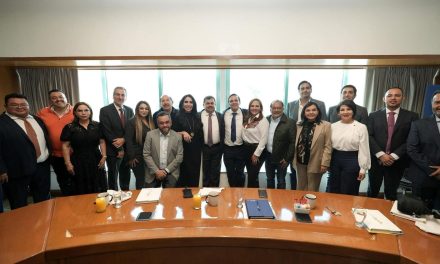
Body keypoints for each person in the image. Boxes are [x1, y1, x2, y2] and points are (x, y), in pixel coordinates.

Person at [0, 93, 51, 209]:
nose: (19, 107)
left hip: (42, 166)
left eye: (23, 104)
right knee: (19, 202)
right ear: (6, 106)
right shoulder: (2, 123)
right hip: (17, 170)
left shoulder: (37, 119)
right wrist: (1, 169)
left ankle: (44, 222)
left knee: (43, 199)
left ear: (28, 105)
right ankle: (22, 226)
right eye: (14, 105)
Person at [367, 87, 419, 200]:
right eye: (389, 95)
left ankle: (388, 215)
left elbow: (411, 139)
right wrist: (381, 155)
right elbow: (369, 136)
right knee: (372, 190)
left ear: (403, 98)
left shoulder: (412, 116)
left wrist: (393, 156)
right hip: (376, 161)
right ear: (384, 99)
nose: (393, 98)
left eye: (397, 95)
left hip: (397, 161)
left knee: (391, 193)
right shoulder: (373, 115)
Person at [287, 80, 327, 190]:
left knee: (313, 183)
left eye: (307, 88)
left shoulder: (320, 104)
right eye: (302, 88)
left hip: (315, 145)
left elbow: (323, 125)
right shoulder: (291, 104)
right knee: (297, 177)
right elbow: (289, 124)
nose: (305, 90)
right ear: (299, 90)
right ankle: (296, 197)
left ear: (311, 89)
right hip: (298, 145)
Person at [61, 102, 107, 194]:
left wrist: (104, 156)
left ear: (90, 112)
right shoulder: (69, 127)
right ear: (75, 113)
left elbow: (102, 141)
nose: (83, 113)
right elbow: (65, 146)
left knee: (98, 185)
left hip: (96, 159)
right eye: (80, 111)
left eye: (86, 110)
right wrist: (68, 163)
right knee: (81, 186)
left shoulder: (97, 125)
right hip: (78, 161)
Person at [327, 100, 371, 195]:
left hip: (353, 159)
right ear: (338, 113)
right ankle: (333, 209)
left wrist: (363, 168)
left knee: (349, 189)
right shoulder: (332, 126)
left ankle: (346, 209)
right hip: (335, 159)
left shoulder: (361, 127)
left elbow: (364, 149)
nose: (345, 112)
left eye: (349, 109)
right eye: (342, 110)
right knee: (333, 188)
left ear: (353, 111)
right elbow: (328, 146)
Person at [37, 89, 75, 195]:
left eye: (60, 96)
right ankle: (67, 204)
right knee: (62, 180)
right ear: (50, 100)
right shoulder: (43, 112)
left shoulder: (76, 111)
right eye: (54, 98)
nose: (58, 99)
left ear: (66, 97)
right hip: (55, 155)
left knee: (77, 179)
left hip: (75, 153)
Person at [407, 90, 440, 210]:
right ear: (432, 104)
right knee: (420, 216)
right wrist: (433, 169)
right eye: (437, 102)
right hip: (424, 176)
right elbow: (412, 149)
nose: (439, 105)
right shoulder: (418, 124)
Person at [99, 87, 134, 191]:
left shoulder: (129, 110)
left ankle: (125, 194)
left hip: (127, 149)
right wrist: (119, 149)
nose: (120, 97)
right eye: (117, 94)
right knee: (113, 177)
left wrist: (124, 139)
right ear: (113, 96)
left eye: (123, 95)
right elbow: (106, 131)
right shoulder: (105, 110)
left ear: (126, 97)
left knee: (125, 175)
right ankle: (113, 197)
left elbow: (131, 129)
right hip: (113, 151)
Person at [294, 102, 332, 191]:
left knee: (312, 189)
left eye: (314, 110)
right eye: (308, 110)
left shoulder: (326, 125)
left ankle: (311, 205)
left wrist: (325, 163)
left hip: (316, 162)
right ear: (304, 112)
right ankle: (300, 205)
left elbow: (328, 146)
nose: (311, 112)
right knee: (300, 187)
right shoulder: (299, 125)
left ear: (318, 111)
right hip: (300, 162)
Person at [143, 112, 183, 188]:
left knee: (169, 197)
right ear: (157, 124)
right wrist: (157, 171)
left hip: (171, 171)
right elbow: (146, 154)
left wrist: (166, 171)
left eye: (167, 122)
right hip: (153, 171)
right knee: (150, 197)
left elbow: (179, 157)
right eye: (161, 123)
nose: (165, 125)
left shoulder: (178, 137)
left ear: (171, 122)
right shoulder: (150, 135)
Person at [174, 94, 203, 187]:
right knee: (183, 179)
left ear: (193, 104)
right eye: (186, 102)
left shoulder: (198, 116)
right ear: (182, 104)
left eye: (191, 102)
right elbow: (171, 133)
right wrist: (182, 132)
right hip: (183, 151)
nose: (188, 104)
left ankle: (193, 199)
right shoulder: (176, 116)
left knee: (194, 178)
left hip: (196, 152)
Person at [265, 100, 295, 189]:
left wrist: (287, 159)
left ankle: (280, 201)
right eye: (274, 108)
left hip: (282, 158)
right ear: (270, 109)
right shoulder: (266, 120)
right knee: (269, 179)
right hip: (268, 156)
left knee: (281, 181)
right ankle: (270, 200)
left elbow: (292, 142)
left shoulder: (290, 122)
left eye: (279, 108)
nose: (276, 110)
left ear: (283, 109)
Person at [125, 101, 155, 189]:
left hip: (149, 155)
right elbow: (128, 141)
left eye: (146, 108)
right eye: (141, 108)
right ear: (137, 110)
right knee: (141, 180)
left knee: (149, 180)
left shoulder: (151, 121)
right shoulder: (131, 122)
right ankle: (139, 200)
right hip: (137, 157)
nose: (144, 110)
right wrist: (132, 157)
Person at [242, 98, 269, 188]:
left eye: (257, 106)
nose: (254, 108)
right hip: (246, 149)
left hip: (257, 150)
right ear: (249, 107)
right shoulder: (249, 118)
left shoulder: (263, 121)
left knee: (252, 176)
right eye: (252, 106)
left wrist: (256, 154)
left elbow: (264, 139)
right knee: (251, 175)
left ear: (260, 108)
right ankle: (255, 197)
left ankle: (251, 199)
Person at [223, 94, 248, 187]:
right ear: (229, 103)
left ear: (239, 102)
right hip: (227, 149)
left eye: (236, 100)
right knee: (230, 173)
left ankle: (240, 194)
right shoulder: (224, 114)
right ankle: (232, 194)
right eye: (231, 101)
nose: (234, 102)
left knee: (240, 173)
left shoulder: (246, 113)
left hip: (241, 148)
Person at [200, 96, 224, 187]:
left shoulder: (220, 116)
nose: (210, 105)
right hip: (204, 148)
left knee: (215, 173)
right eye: (207, 103)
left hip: (217, 148)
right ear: (203, 104)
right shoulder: (198, 116)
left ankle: (214, 193)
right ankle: (205, 193)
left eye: (212, 103)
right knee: (205, 173)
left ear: (215, 104)